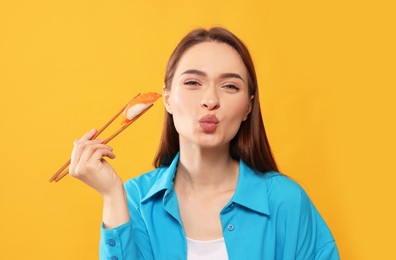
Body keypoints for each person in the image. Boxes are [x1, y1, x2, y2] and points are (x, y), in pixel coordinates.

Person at [69, 27, 340, 260]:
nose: (210, 100)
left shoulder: (286, 201)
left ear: (248, 106)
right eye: (193, 82)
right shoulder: (133, 200)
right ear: (167, 99)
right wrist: (112, 196)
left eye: (230, 86)